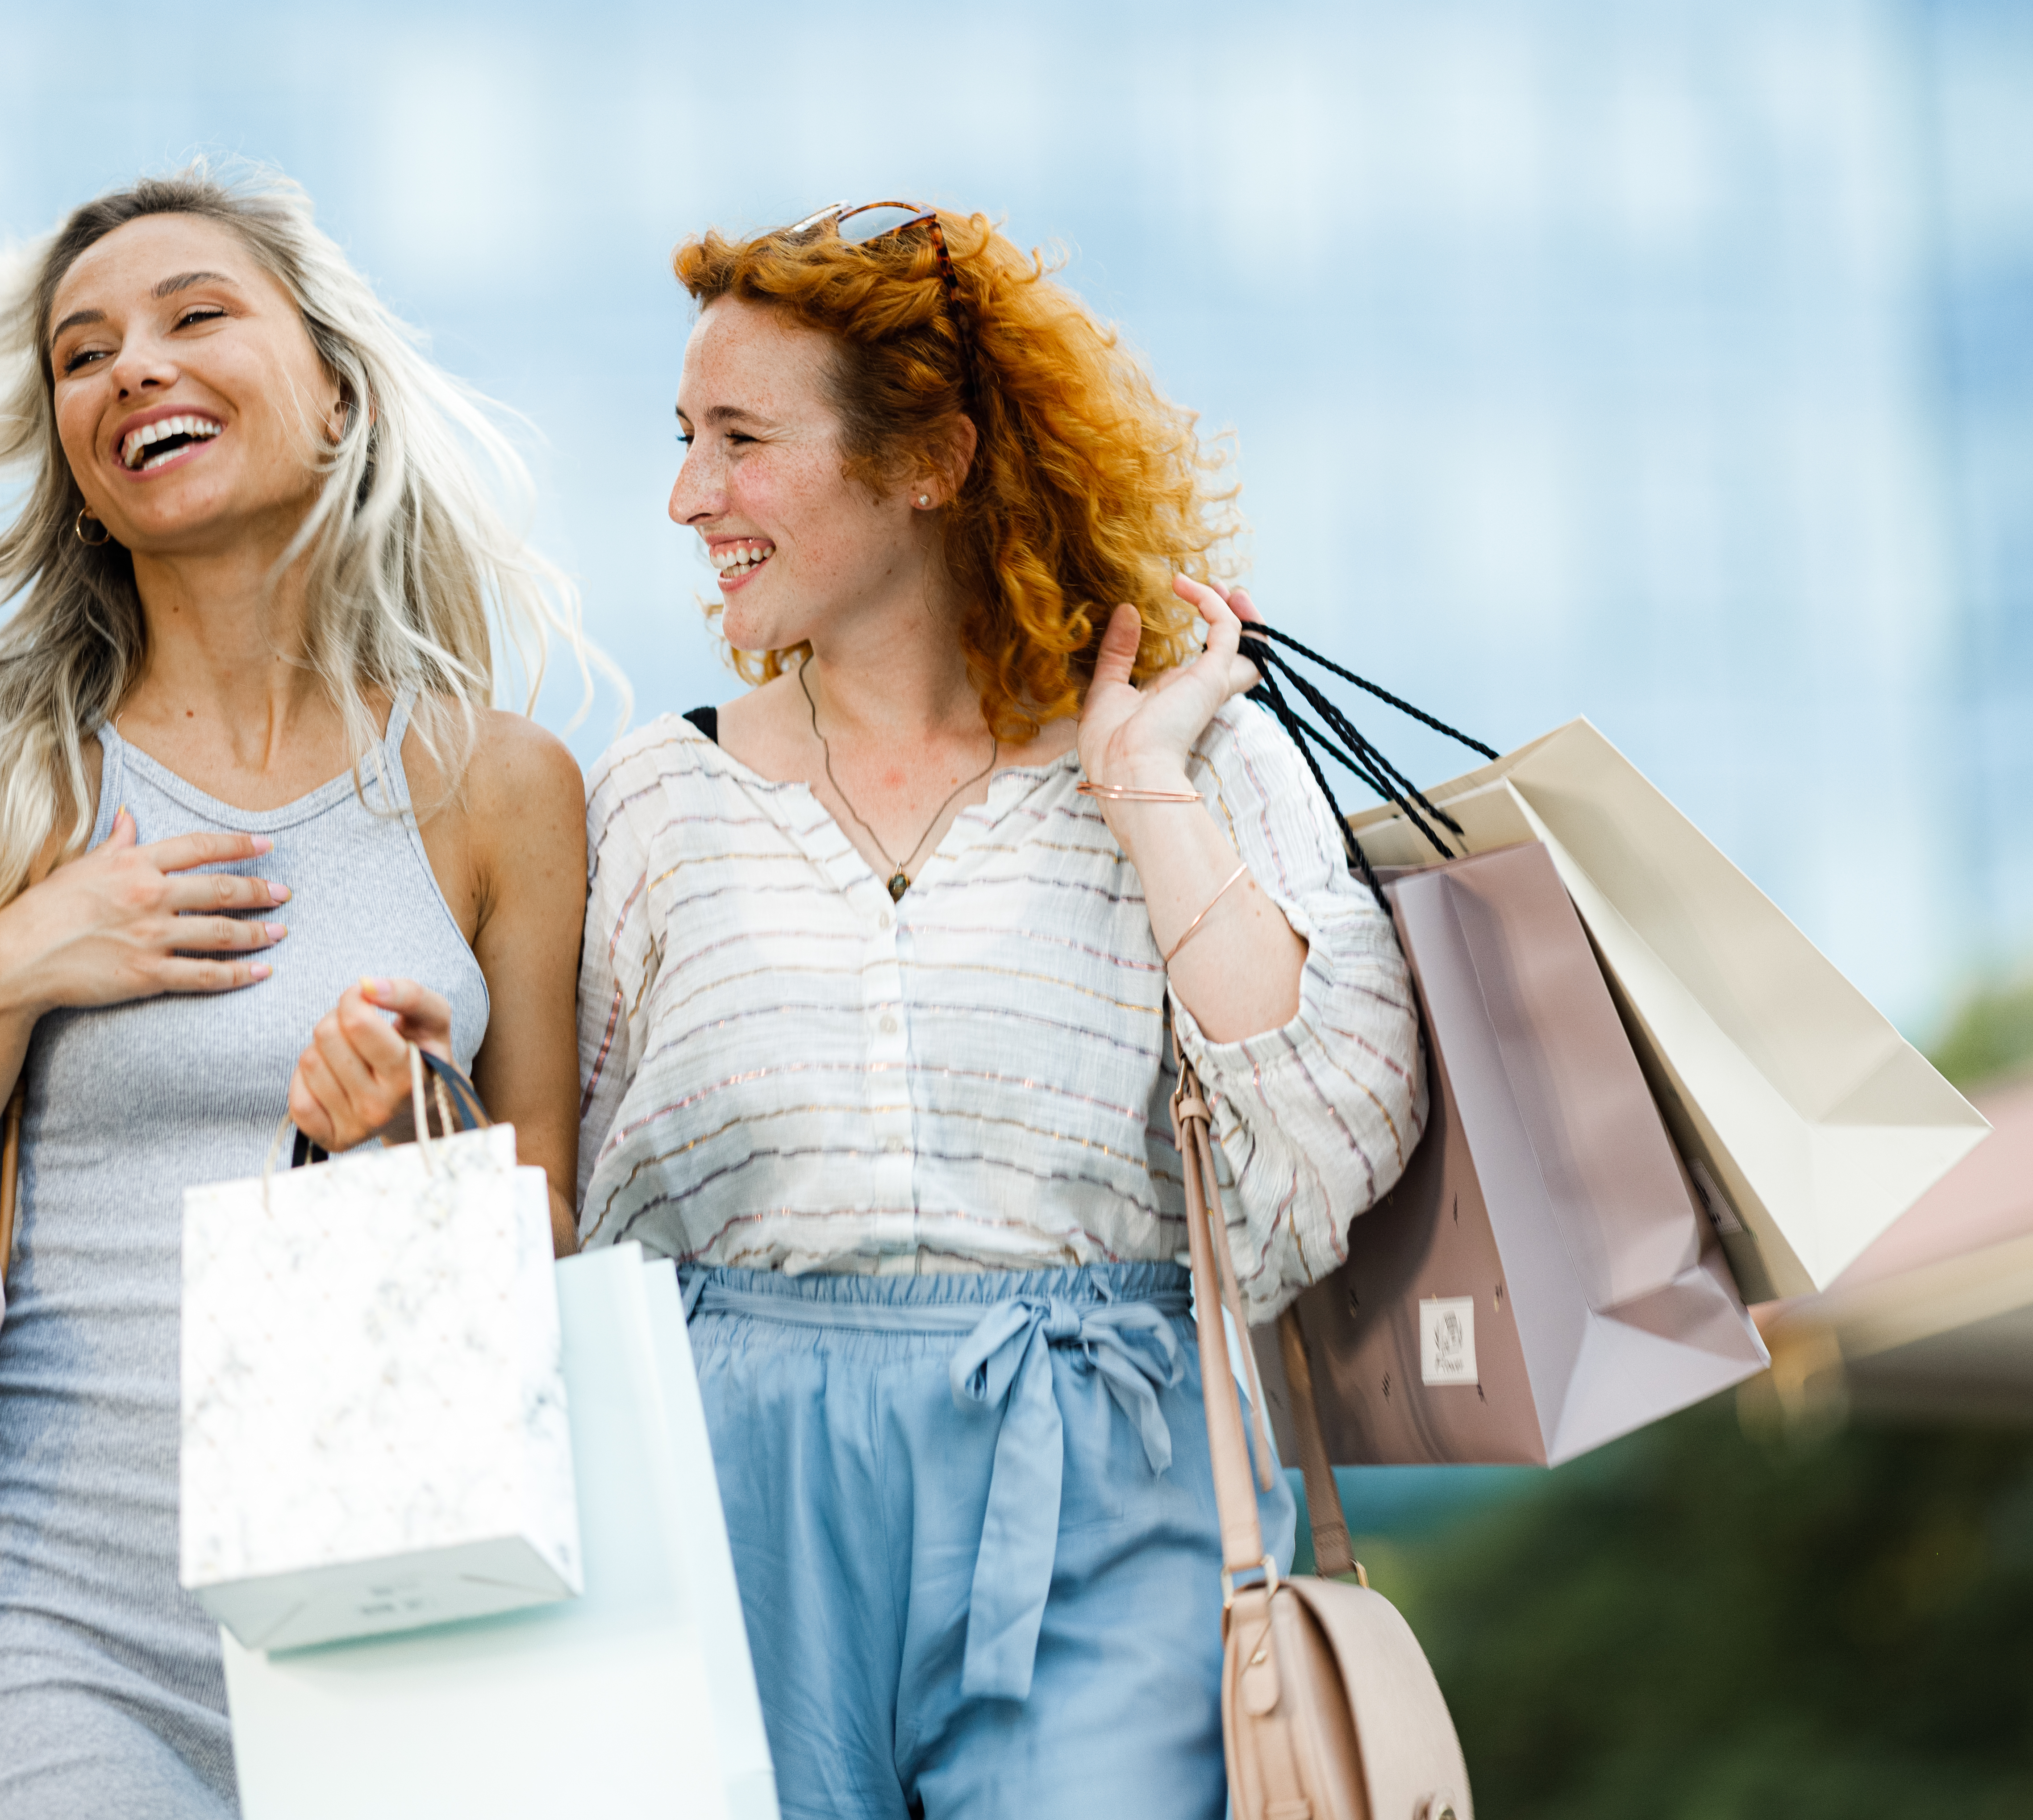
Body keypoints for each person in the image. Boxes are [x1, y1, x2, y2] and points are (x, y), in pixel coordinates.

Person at [575, 202, 1428, 1820]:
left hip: (1106, 1475)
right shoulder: (651, 798)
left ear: (932, 460)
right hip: (730, 1485)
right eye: (686, 440)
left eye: (741, 441)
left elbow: (1331, 1145)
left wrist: (1139, 793)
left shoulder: (1191, 758)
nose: (692, 497)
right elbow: (567, 1207)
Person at [0, 166, 594, 1820]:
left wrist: (406, 1145)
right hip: (55, 1621)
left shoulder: (503, 788)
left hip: (413, 1596)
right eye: (82, 354)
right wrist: (14, 971)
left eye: (195, 317)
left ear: (333, 391)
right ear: (81, 474)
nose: (134, 369)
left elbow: (554, 1253)